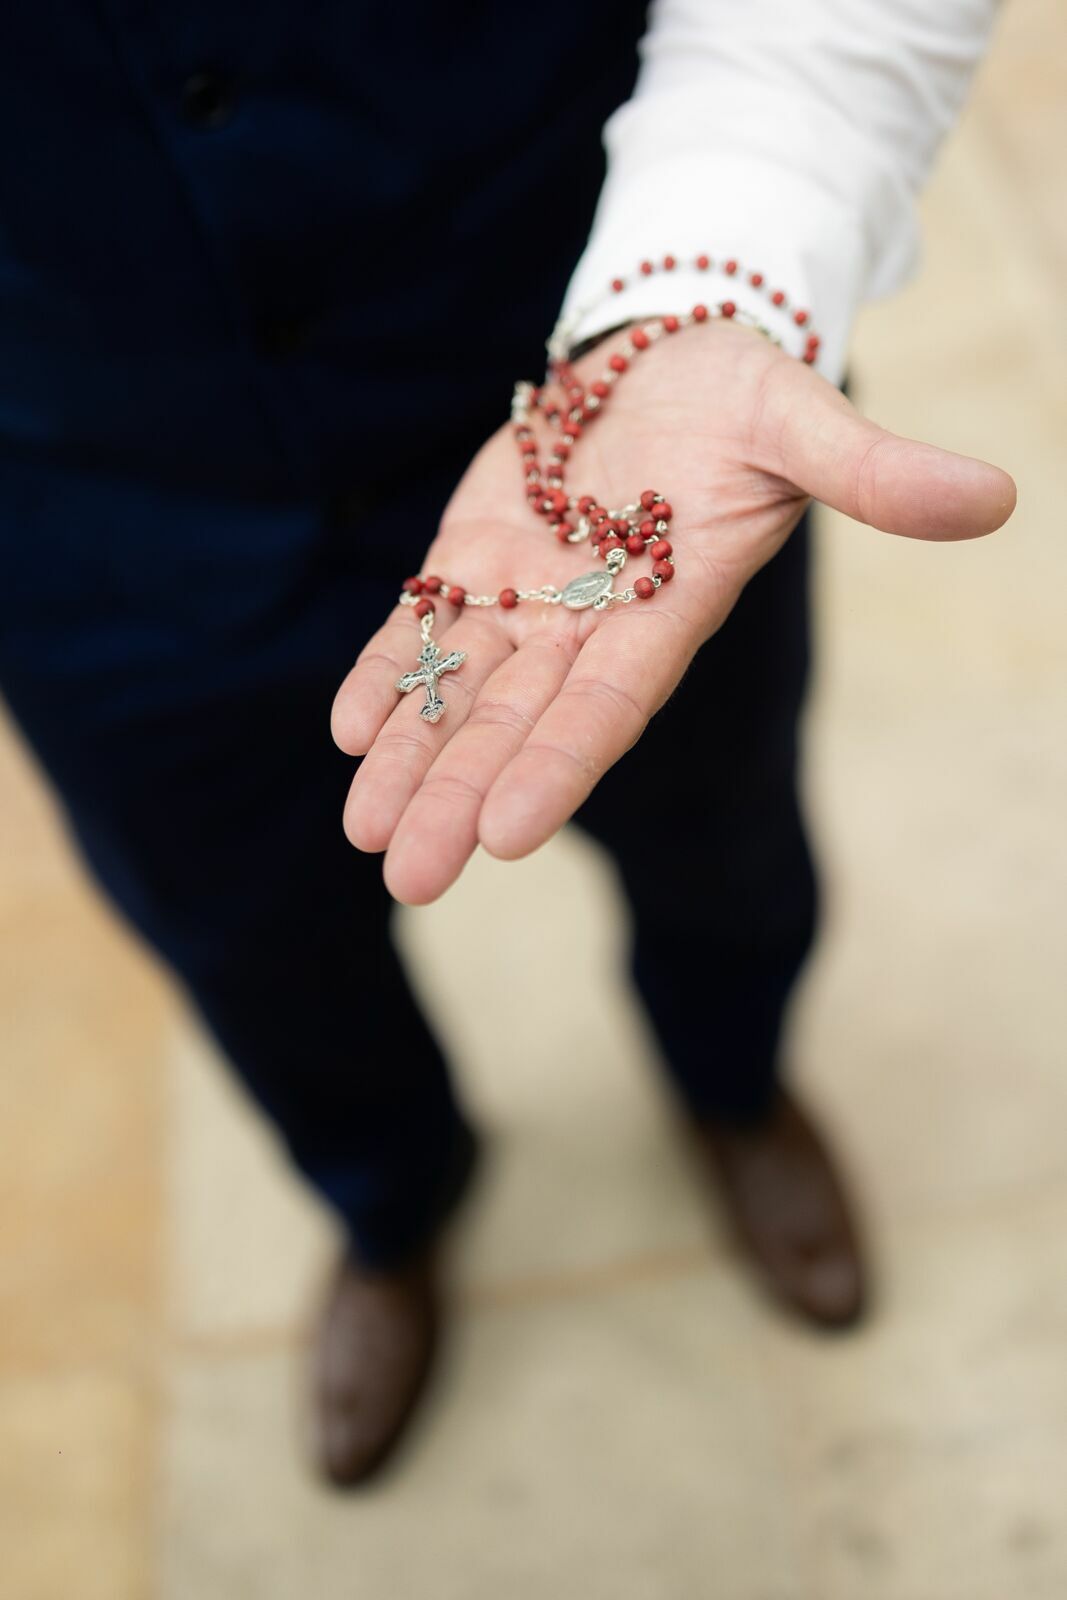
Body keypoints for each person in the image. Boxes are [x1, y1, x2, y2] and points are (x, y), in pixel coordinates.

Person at [0, 2, 1013, 1486]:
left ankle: (732, 1082)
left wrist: (706, 277)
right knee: (244, 932)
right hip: (78, 484)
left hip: (596, 331)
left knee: (722, 831)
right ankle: (393, 1204)